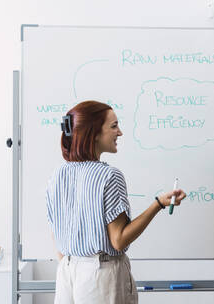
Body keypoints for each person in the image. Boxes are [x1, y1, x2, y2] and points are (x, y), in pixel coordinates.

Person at [46, 100, 186, 304]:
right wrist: (158, 204)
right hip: (100, 276)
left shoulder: (58, 174)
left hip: (67, 271)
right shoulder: (109, 176)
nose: (119, 133)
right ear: (93, 133)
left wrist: (76, 264)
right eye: (113, 126)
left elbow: (55, 233)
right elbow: (118, 240)